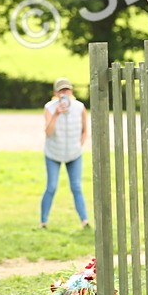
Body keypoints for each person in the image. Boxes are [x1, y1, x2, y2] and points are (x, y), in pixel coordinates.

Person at [42, 78, 90, 229]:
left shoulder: (80, 107)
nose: (65, 93)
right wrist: (56, 114)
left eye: (67, 90)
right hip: (53, 153)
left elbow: (85, 130)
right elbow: (48, 132)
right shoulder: (49, 108)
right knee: (51, 186)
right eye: (61, 90)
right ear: (56, 93)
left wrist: (79, 145)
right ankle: (43, 222)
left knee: (76, 187)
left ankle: (85, 221)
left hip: (74, 154)